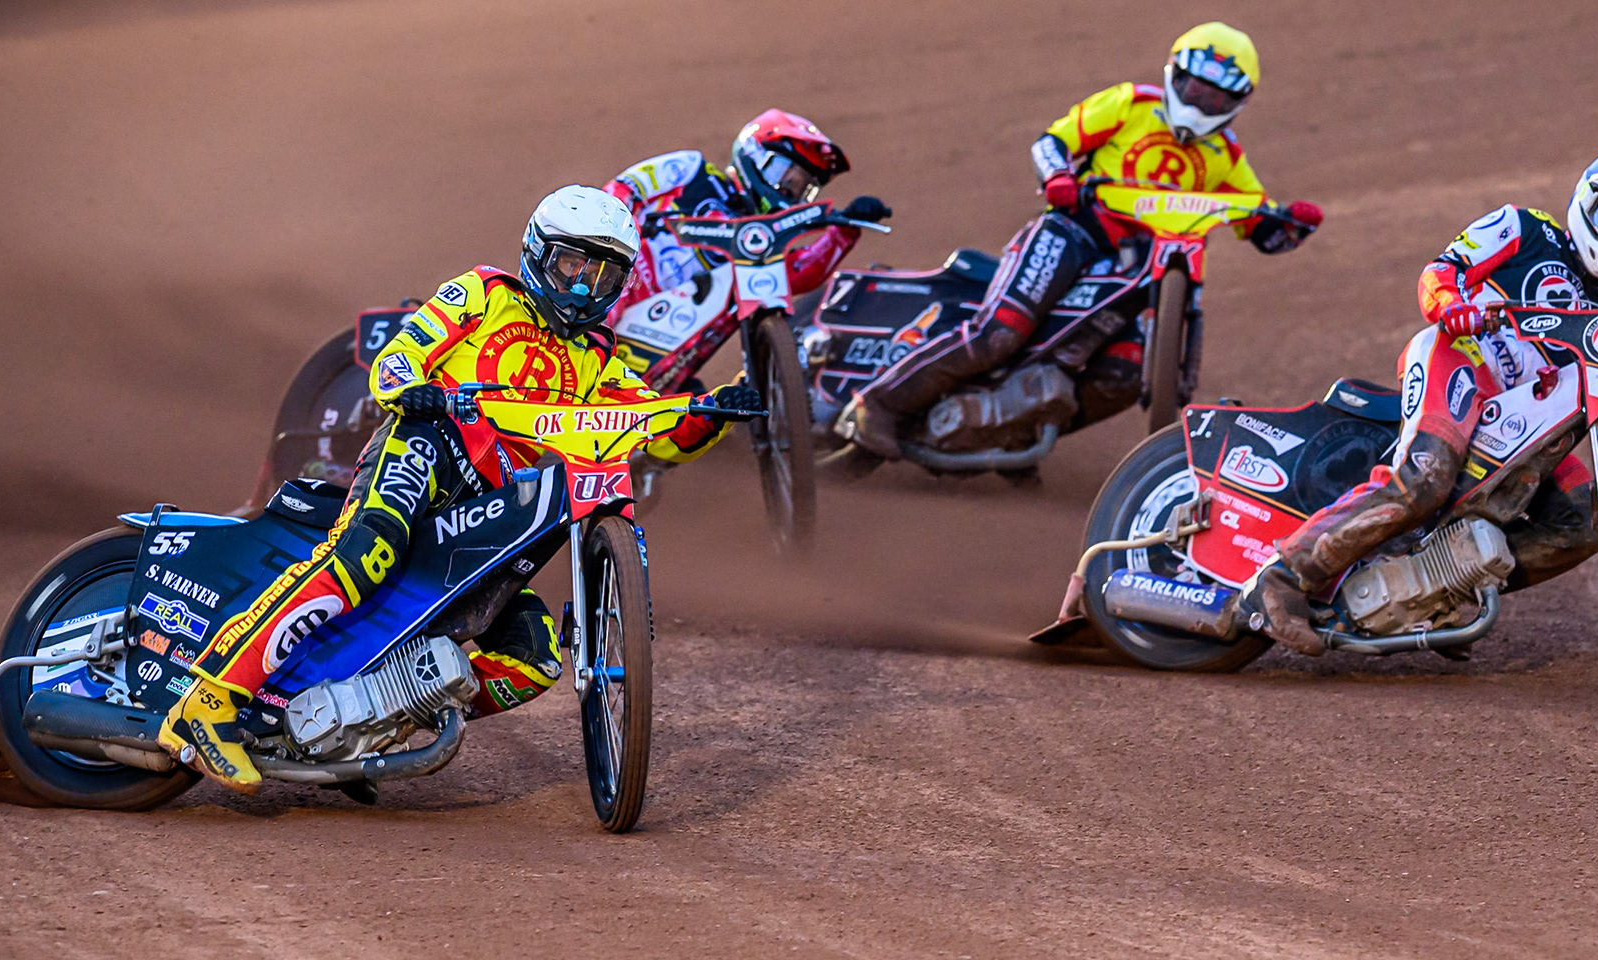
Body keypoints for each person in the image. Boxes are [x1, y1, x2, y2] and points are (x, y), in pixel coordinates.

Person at [159, 185, 760, 792]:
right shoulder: (483, 293)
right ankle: (210, 700)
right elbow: (395, 361)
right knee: (366, 553)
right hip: (426, 444)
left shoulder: (598, 359)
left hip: (485, 511)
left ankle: (364, 724)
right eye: (573, 265)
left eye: (603, 277)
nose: (583, 287)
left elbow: (655, 427)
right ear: (537, 252)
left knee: (535, 660)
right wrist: (413, 389)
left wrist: (714, 412)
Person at [1234, 146, 1598, 655]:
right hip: (1459, 361)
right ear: (1584, 198)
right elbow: (1443, 270)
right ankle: (1280, 581)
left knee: (1589, 521)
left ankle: (1440, 592)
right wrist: (1452, 306)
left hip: (1523, 419)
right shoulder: (1526, 227)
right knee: (1426, 476)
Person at [839, 21, 1323, 458]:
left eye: (1216, 99)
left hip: (1146, 268)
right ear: (1175, 76)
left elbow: (1258, 225)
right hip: (1073, 231)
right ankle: (874, 405)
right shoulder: (1133, 103)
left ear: (1236, 103)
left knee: (1125, 375)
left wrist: (1289, 225)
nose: (1202, 104)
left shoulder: (1225, 154)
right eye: (1195, 89)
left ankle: (1011, 431)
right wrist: (1058, 179)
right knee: (1001, 333)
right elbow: (1052, 143)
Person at [603, 108, 892, 382]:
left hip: (666, 361)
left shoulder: (763, 239)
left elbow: (798, 274)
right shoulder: (691, 170)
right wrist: (624, 237)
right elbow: (622, 190)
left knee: (709, 416)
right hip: (624, 287)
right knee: (604, 307)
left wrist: (845, 231)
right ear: (755, 154)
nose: (791, 190)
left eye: (803, 187)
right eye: (786, 174)